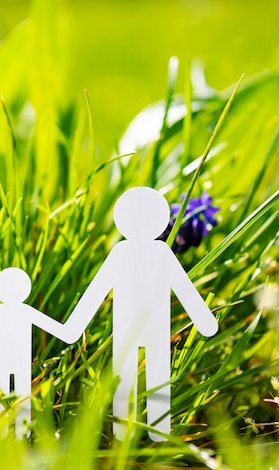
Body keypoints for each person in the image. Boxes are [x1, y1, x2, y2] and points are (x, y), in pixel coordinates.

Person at [66, 186, 219, 441]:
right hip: (128, 325)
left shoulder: (158, 253)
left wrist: (204, 320)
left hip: (155, 325)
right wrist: (75, 325)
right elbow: (98, 289)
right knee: (127, 374)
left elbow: (182, 287)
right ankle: (125, 429)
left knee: (156, 371)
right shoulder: (124, 252)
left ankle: (158, 429)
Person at [0, 267, 74, 437]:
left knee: (12, 393)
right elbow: (59, 330)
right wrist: (71, 332)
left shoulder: (3, 311)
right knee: (13, 393)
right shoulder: (10, 311)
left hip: (15, 362)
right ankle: (15, 432)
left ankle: (10, 432)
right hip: (11, 362)